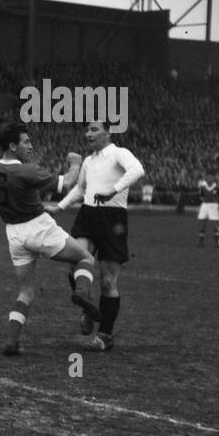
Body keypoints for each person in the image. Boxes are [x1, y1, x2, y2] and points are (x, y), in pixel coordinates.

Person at [0, 124, 101, 357]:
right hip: (38, 226)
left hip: (14, 234)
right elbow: (66, 183)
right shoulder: (26, 171)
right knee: (85, 258)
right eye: (26, 142)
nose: (30, 146)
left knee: (26, 291)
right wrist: (75, 163)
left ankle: (12, 341)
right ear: (12, 146)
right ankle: (81, 292)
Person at [54, 119, 146, 351]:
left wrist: (112, 191)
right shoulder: (87, 161)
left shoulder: (119, 153)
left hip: (113, 219)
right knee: (76, 263)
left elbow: (138, 170)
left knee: (107, 281)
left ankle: (105, 335)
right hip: (87, 216)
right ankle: (87, 307)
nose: (88, 133)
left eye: (94, 129)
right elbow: (81, 189)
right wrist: (59, 207)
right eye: (87, 129)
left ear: (108, 132)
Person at [195, 176, 219, 245]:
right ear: (206, 180)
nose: (209, 180)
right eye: (208, 179)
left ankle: (217, 242)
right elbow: (201, 196)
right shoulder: (203, 187)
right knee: (202, 223)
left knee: (215, 223)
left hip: (214, 206)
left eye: (210, 178)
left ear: (213, 180)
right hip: (205, 205)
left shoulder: (217, 187)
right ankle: (201, 242)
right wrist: (202, 205)